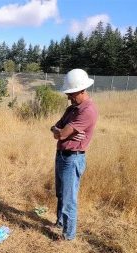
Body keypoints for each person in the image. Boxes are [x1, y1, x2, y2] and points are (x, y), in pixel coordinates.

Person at [50, 69, 98, 241]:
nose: (69, 97)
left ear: (83, 90)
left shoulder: (87, 111)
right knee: (61, 194)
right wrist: (60, 131)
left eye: (71, 93)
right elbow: (55, 128)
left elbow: (61, 134)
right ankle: (60, 223)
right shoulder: (72, 108)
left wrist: (62, 132)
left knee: (69, 200)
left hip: (73, 158)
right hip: (62, 155)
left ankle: (68, 237)